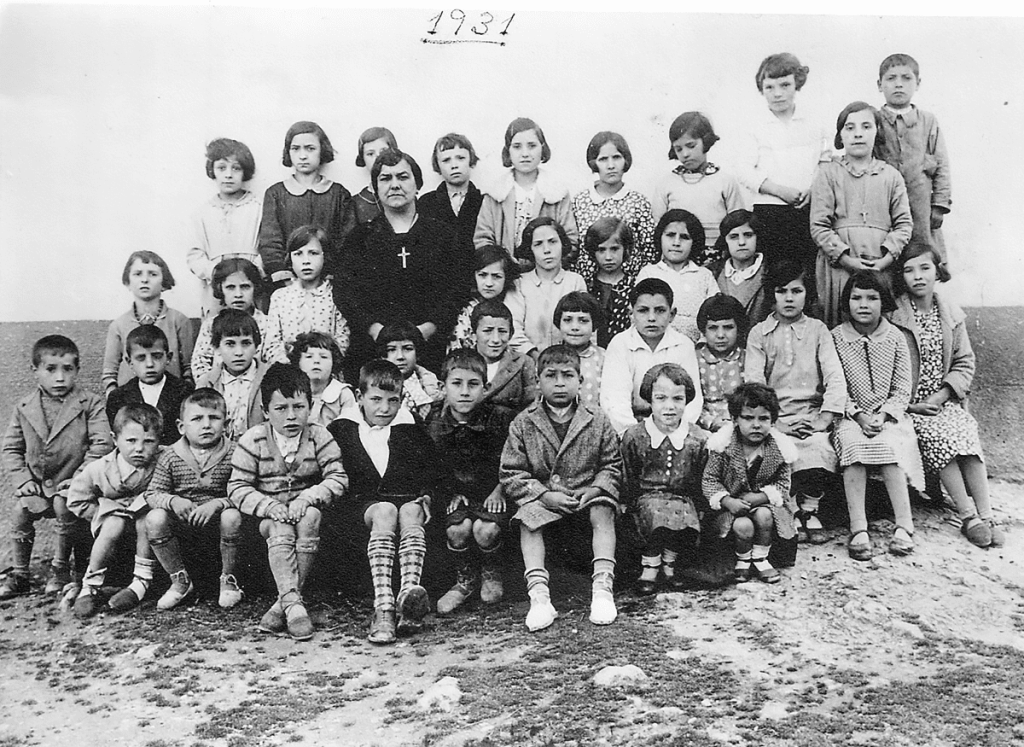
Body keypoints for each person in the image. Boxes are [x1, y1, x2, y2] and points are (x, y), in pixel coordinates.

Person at [501, 344, 623, 631]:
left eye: (567, 375)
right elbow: (511, 472)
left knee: (604, 511)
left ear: (581, 381)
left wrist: (594, 490)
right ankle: (539, 597)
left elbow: (612, 465)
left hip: (586, 494)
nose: (559, 383)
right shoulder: (524, 422)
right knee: (528, 520)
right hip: (544, 495)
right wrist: (544, 495)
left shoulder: (597, 419)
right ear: (537, 381)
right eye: (550, 375)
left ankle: (603, 589)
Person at [891, 241, 1002, 548]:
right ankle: (968, 515)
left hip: (943, 399)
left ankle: (988, 514)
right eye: (909, 270)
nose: (918, 276)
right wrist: (913, 406)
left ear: (937, 271)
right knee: (939, 435)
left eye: (925, 268)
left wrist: (941, 396)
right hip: (909, 406)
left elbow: (965, 361)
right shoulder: (894, 315)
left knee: (964, 428)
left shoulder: (951, 313)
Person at [328, 360, 444, 645]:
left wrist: (426, 495)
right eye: (376, 400)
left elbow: (431, 470)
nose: (384, 409)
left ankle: (409, 599)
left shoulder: (411, 428)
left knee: (410, 509)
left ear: (402, 399)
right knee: (385, 510)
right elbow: (330, 471)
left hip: (403, 504)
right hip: (360, 506)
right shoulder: (341, 430)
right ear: (359, 397)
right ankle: (384, 607)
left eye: (393, 401)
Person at [229, 363, 347, 640]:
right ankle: (294, 605)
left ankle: (283, 604)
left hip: (308, 516)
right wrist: (269, 506)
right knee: (280, 527)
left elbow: (338, 478)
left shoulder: (319, 436)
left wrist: (308, 497)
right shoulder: (254, 439)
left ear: (310, 405)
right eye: (281, 408)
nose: (291, 416)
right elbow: (237, 487)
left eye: (299, 406)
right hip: (268, 518)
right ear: (266, 410)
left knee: (310, 517)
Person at [0, 335, 112, 600]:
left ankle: (60, 570)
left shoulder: (90, 404)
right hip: (37, 485)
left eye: (68, 369)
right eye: (51, 370)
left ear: (77, 371)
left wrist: (78, 479)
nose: (60, 378)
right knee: (20, 511)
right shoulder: (25, 406)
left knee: (64, 506)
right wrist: (23, 480)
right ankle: (20, 574)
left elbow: (101, 445)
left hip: (73, 483)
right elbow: (11, 448)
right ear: (36, 372)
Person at [339, 148, 466, 375]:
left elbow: (457, 288)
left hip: (431, 348)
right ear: (376, 188)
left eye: (403, 177)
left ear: (418, 184)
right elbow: (346, 292)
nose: (394, 185)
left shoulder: (443, 235)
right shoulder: (360, 238)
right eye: (385, 178)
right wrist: (374, 329)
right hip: (373, 348)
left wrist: (429, 328)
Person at [745, 261, 846, 545]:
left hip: (812, 416)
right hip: (774, 419)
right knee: (776, 451)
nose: (789, 298)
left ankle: (809, 509)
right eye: (781, 291)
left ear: (808, 293)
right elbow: (754, 385)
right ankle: (788, 509)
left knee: (819, 448)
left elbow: (834, 377)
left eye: (796, 291)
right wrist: (778, 424)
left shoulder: (818, 330)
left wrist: (823, 419)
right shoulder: (759, 334)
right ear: (771, 294)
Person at [831, 272, 924, 561]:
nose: (864, 304)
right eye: (856, 297)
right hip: (851, 416)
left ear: (883, 301)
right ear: (847, 302)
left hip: (889, 416)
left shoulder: (896, 337)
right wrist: (858, 416)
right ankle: (859, 526)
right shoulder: (836, 338)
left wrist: (883, 416)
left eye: (872, 298)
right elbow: (835, 386)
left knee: (890, 446)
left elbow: (901, 390)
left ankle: (904, 523)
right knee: (852, 446)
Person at [424, 349, 515, 615]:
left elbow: (512, 459)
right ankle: (465, 579)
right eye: (457, 384)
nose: (465, 392)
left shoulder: (499, 418)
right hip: (459, 494)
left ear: (485, 388)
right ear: (443, 387)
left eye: (473, 384)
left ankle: (490, 571)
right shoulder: (435, 423)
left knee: (485, 531)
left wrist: (500, 489)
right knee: (457, 530)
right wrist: (450, 493)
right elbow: (433, 467)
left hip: (494, 492)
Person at [810, 102, 913, 327]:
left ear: (877, 131)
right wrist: (846, 260)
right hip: (839, 266)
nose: (858, 134)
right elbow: (819, 226)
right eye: (850, 127)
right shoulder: (829, 173)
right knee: (839, 325)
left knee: (877, 325)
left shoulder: (891, 176)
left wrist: (884, 261)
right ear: (840, 136)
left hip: (879, 263)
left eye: (866, 126)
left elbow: (904, 224)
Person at [144, 388, 244, 609]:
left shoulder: (236, 452)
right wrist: (173, 501)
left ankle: (229, 579)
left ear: (226, 424)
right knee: (154, 518)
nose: (206, 425)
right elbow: (152, 494)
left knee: (232, 516)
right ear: (181, 426)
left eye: (214, 418)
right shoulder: (170, 455)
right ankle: (179, 579)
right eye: (197, 419)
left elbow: (244, 491)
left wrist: (218, 503)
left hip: (219, 520)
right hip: (183, 520)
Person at [738, 54, 831, 281]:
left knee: (808, 273)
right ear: (761, 89)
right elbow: (744, 170)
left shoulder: (814, 121)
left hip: (808, 210)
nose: (777, 93)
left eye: (785, 85)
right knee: (776, 275)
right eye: (769, 87)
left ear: (797, 84)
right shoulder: (754, 125)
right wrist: (780, 191)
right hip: (770, 213)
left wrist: (814, 190)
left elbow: (826, 160)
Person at [68, 403, 163, 617]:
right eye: (131, 441)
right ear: (115, 438)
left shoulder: (161, 462)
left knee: (145, 521)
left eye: (149, 442)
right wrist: (99, 513)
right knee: (113, 524)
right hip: (113, 517)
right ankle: (90, 585)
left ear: (159, 443)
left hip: (144, 518)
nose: (139, 448)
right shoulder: (99, 468)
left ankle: (141, 582)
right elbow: (75, 499)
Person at [620, 363, 707, 593]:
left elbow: (700, 475)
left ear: (687, 401)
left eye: (677, 399)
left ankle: (669, 565)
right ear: (649, 400)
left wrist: (700, 505)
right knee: (656, 516)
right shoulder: (636, 435)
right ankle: (649, 566)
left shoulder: (695, 438)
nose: (669, 406)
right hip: (647, 498)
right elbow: (627, 472)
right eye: (661, 398)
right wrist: (626, 502)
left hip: (682, 497)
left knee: (686, 521)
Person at [703, 383, 798, 584]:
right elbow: (710, 479)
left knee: (764, 515)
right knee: (743, 525)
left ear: (773, 421)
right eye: (748, 418)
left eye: (763, 419)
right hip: (730, 508)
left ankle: (761, 557)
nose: (756, 425)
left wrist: (761, 497)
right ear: (735, 419)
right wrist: (727, 500)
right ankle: (743, 560)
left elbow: (783, 484)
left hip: (766, 506)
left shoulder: (778, 449)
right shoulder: (723, 446)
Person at [601, 279, 703, 435]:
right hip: (630, 428)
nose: (651, 318)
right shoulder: (620, 344)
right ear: (631, 313)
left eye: (660, 310)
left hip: (675, 428)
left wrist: (674, 435)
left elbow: (692, 401)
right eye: (643, 310)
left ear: (672, 314)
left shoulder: (684, 345)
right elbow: (614, 402)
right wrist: (635, 436)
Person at [877, 54, 952, 267]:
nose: (898, 84)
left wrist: (939, 205)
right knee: (888, 258)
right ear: (879, 85)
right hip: (885, 206)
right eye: (891, 78)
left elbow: (942, 165)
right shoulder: (874, 120)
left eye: (906, 78)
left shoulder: (928, 121)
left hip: (921, 208)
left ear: (917, 83)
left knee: (922, 257)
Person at [258, 121, 351, 289]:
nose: (302, 156)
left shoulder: (338, 194)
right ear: (288, 152)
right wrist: (284, 277)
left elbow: (346, 240)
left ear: (322, 150)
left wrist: (331, 276)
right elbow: (270, 242)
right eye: (296, 149)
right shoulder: (276, 193)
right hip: (287, 286)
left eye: (310, 148)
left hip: (329, 284)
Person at [474, 117, 578, 259]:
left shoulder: (556, 192)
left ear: (542, 148)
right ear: (508, 151)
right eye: (517, 146)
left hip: (546, 276)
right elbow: (483, 240)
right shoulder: (495, 193)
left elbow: (570, 241)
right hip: (505, 275)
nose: (525, 154)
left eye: (532, 145)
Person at [187, 137, 263, 318]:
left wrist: (253, 272)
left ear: (245, 171)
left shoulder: (259, 207)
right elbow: (195, 255)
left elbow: (268, 246)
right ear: (212, 170)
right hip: (217, 288)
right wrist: (216, 274)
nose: (228, 175)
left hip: (251, 284)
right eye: (222, 168)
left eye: (236, 168)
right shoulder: (203, 213)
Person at [102, 250, 195, 394]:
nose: (145, 280)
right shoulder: (118, 326)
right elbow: (109, 373)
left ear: (164, 283)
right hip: (130, 403)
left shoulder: (179, 321)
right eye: (138, 274)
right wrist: (115, 401)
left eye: (153, 274)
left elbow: (189, 368)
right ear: (128, 282)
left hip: (171, 400)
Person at [652, 112, 745, 250]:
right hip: (680, 254)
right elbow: (659, 226)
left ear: (706, 141)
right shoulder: (667, 183)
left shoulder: (725, 181)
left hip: (717, 254)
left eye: (691, 146)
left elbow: (737, 223)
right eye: (679, 149)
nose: (685, 154)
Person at [571, 131, 656, 277]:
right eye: (603, 159)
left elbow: (649, 250)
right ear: (594, 163)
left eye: (616, 157)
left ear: (625, 160)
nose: (611, 165)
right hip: (587, 285)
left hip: (630, 285)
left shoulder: (638, 202)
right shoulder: (580, 202)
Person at [191, 258, 287, 380]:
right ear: (221, 288)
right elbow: (200, 363)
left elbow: (275, 357)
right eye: (230, 287)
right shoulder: (211, 325)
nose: (238, 294)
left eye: (245, 287)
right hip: (220, 388)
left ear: (255, 287)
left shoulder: (267, 322)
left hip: (258, 389)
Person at [505, 216, 588, 356]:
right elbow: (513, 329)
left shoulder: (575, 282)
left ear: (562, 244)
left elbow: (585, 325)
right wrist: (536, 357)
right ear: (530, 249)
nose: (547, 250)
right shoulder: (519, 284)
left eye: (552, 242)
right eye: (538, 244)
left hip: (569, 361)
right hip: (529, 361)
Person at [637, 209, 718, 342]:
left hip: (696, 348)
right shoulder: (649, 273)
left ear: (695, 242)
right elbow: (638, 314)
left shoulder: (704, 276)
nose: (676, 243)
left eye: (684, 237)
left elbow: (715, 314)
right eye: (670, 235)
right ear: (660, 237)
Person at [266, 225, 350, 352]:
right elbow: (271, 346)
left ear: (325, 256)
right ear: (290, 258)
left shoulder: (336, 294)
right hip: (288, 369)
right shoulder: (280, 297)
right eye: (298, 254)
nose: (306, 261)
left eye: (313, 253)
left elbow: (342, 343)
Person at [106, 325, 194, 446]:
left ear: (168, 358)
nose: (149, 364)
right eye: (141, 358)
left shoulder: (185, 391)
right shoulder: (118, 397)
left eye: (156, 356)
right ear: (130, 362)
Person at [195, 309, 267, 441]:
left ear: (257, 345)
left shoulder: (270, 378)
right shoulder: (207, 383)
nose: (239, 352)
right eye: (230, 344)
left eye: (246, 343)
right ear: (217, 348)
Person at [447, 245, 523, 354]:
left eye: (496, 276)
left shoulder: (513, 304)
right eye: (482, 275)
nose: (489, 283)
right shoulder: (465, 312)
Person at [418, 132, 484, 254]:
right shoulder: (426, 202)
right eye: (446, 160)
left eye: (461, 158)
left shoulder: (484, 201)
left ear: (470, 160)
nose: (454, 165)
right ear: (437, 165)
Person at [471, 300, 538, 412]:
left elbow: (532, 406)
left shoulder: (523, 363)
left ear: (511, 334)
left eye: (502, 331)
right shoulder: (462, 362)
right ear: (474, 334)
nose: (496, 339)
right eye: (488, 331)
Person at [695, 294, 749, 433]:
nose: (720, 335)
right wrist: (710, 422)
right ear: (703, 330)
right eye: (713, 328)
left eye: (728, 327)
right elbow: (690, 403)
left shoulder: (746, 358)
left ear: (739, 328)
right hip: (702, 426)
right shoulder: (695, 359)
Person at [713, 210, 772, 326]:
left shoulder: (770, 273)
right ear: (725, 240)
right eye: (734, 237)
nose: (741, 242)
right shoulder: (714, 273)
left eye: (748, 235)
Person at [584, 218, 636, 348]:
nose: (608, 257)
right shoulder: (586, 285)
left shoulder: (633, 285)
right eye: (601, 250)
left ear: (626, 249)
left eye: (614, 249)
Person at [377, 321, 443, 420]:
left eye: (407, 349)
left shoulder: (430, 389)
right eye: (392, 350)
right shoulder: (373, 387)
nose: (400, 357)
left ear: (418, 353)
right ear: (383, 356)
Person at [287, 332, 356, 427]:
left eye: (323, 357)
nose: (316, 361)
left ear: (334, 362)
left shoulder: (343, 394)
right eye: (309, 357)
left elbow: (350, 430)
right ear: (298, 362)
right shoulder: (289, 391)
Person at [554, 291, 604, 411]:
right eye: (567, 320)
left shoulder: (604, 358)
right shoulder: (550, 357)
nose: (575, 327)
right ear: (558, 323)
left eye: (583, 320)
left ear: (594, 324)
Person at [345, 126, 399, 232]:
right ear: (363, 159)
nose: (378, 158)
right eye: (370, 154)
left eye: (384, 151)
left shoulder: (404, 192)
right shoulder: (356, 203)